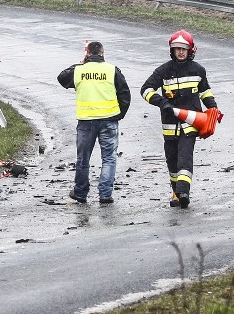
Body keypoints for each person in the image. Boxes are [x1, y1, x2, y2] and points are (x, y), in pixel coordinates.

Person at [140, 29, 218, 209]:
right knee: (172, 160)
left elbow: (205, 91)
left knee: (185, 157)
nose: (181, 52)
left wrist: (213, 108)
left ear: (191, 50)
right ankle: (176, 192)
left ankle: (184, 192)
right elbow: (145, 90)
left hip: (190, 124)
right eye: (177, 49)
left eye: (184, 49)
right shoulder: (163, 71)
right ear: (172, 50)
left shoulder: (198, 70)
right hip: (169, 125)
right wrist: (161, 102)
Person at [58, 41, 131, 204]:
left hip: (86, 122)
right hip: (109, 120)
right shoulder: (112, 70)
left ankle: (80, 193)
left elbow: (61, 78)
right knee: (109, 159)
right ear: (103, 54)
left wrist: (81, 64)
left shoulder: (79, 70)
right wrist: (119, 115)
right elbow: (125, 94)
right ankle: (105, 194)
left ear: (88, 54)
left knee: (83, 158)